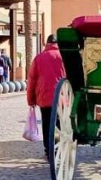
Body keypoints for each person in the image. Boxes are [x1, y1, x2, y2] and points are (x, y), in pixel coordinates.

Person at [28, 34, 66, 164]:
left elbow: (31, 80)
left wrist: (31, 100)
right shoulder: (63, 57)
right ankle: (58, 147)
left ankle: (48, 150)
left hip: (44, 98)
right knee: (59, 123)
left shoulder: (39, 58)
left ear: (46, 44)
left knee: (46, 123)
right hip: (61, 98)